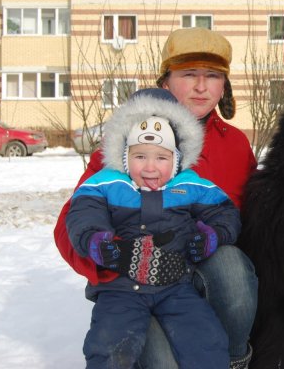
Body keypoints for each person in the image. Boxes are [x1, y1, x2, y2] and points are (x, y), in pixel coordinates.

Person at [53, 28, 258, 369]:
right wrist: (114, 255)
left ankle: (235, 360)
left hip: (202, 282)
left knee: (231, 265)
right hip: (135, 279)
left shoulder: (235, 145)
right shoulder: (128, 144)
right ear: (166, 82)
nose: (201, 87)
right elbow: (71, 222)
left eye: (213, 76)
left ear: (224, 86)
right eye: (189, 74)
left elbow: (250, 221)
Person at [66, 88, 240, 368]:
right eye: (139, 156)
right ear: (124, 155)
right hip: (120, 288)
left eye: (161, 157)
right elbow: (83, 214)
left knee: (206, 340)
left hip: (176, 286)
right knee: (110, 347)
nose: (150, 167)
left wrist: (213, 235)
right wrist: (96, 241)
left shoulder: (189, 185)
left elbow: (225, 212)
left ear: (177, 158)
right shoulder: (107, 183)